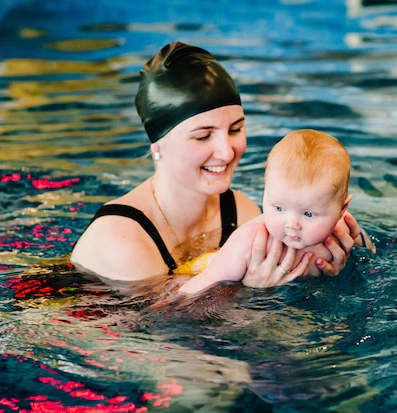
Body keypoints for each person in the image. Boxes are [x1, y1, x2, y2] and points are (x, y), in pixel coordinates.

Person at [70, 41, 370, 291]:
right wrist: (244, 292)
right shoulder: (120, 240)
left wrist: (332, 260)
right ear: (157, 145)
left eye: (236, 129)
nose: (227, 152)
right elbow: (152, 333)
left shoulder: (239, 210)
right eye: (203, 136)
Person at [178, 129, 373, 294]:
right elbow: (206, 282)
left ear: (341, 210)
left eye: (308, 214)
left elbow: (369, 255)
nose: (291, 224)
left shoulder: (343, 227)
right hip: (204, 265)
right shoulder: (248, 242)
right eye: (279, 208)